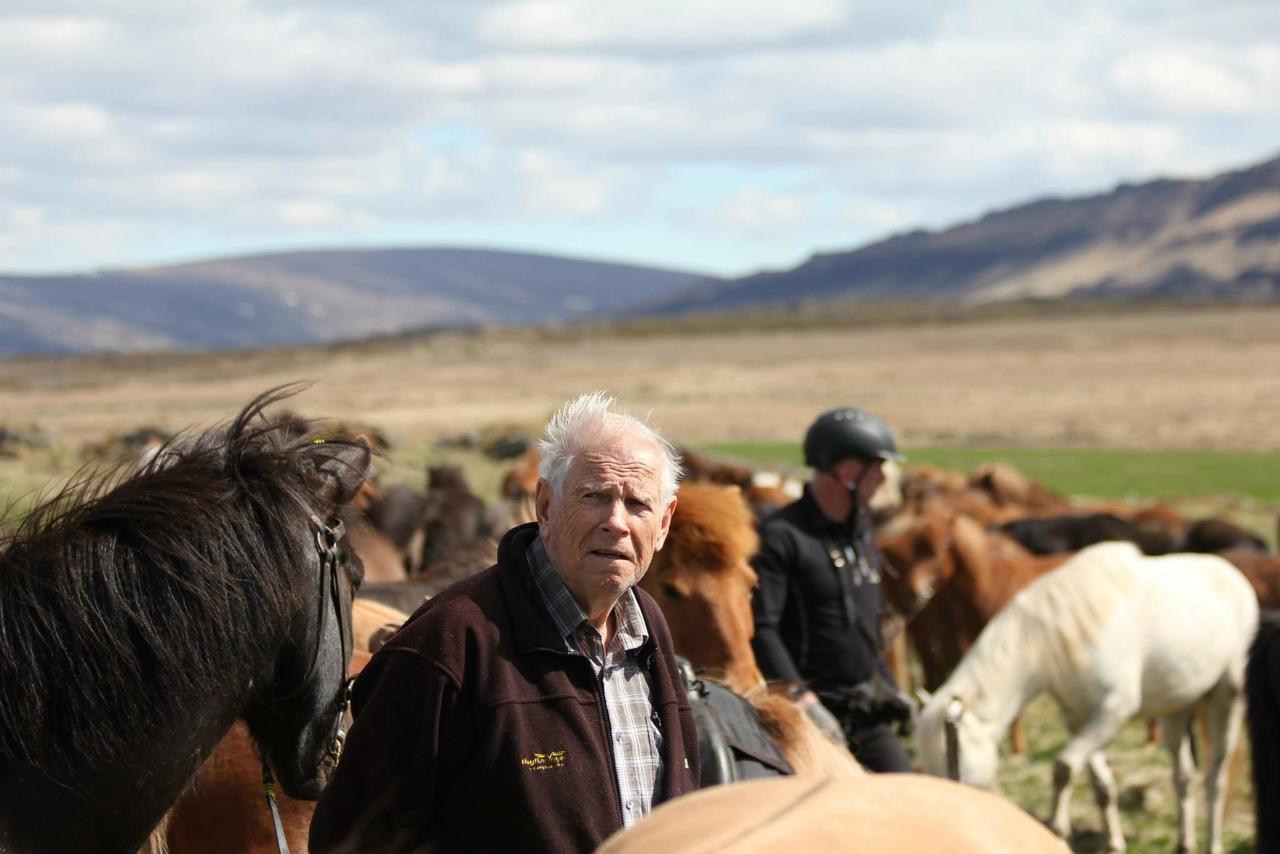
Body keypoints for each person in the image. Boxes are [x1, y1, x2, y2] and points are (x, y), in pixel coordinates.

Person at [309, 392, 698, 853]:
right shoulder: (448, 643)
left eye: (637, 504)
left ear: (665, 524)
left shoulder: (647, 626)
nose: (616, 522)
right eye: (594, 496)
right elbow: (353, 840)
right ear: (546, 506)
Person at [749, 406, 914, 772]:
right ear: (847, 472)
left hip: (865, 710)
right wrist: (801, 700)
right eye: (877, 466)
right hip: (808, 715)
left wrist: (888, 687)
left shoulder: (860, 532)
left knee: (905, 798)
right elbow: (762, 627)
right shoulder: (781, 537)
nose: (885, 477)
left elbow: (865, 629)